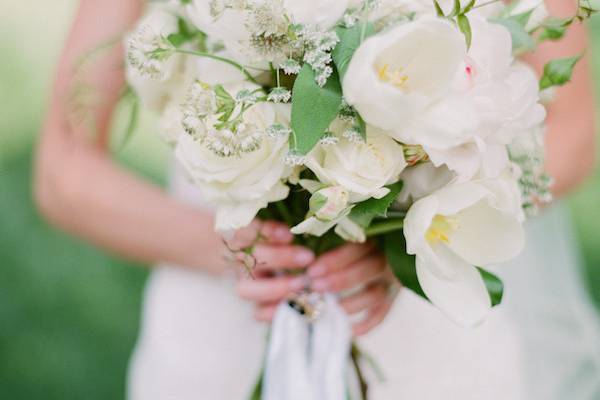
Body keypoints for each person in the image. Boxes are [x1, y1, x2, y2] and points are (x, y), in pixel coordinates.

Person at [34, 0, 598, 399]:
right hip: (217, 324)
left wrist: (404, 237)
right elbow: (65, 170)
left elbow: (574, 129)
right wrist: (235, 247)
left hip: (426, 321)